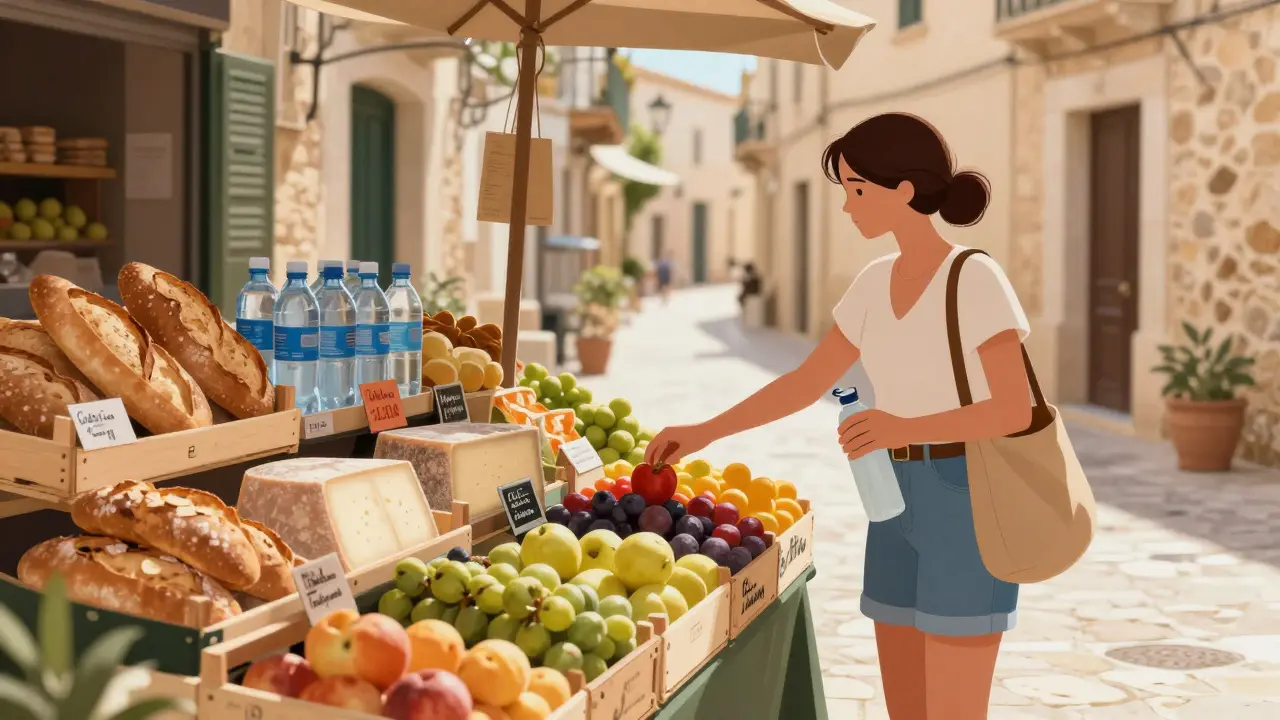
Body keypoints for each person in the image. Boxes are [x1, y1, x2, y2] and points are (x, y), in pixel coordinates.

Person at [645, 112, 1033, 720]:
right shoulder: (872, 285)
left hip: (967, 500)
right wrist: (703, 433)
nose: (848, 206)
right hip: (891, 500)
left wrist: (903, 428)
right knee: (905, 707)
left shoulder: (975, 277)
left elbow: (1015, 408)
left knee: (955, 710)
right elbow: (805, 382)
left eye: (857, 189)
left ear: (903, 191)